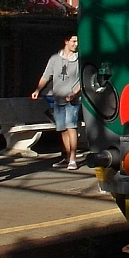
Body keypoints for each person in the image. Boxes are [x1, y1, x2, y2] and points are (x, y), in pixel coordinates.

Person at [32, 34, 81, 169]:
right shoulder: (55, 59)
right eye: (73, 41)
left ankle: (73, 158)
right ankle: (66, 157)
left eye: (77, 41)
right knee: (62, 129)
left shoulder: (79, 60)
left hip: (72, 100)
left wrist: (74, 93)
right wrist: (38, 90)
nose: (76, 44)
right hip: (57, 98)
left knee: (71, 127)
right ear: (66, 41)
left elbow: (83, 80)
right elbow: (46, 76)